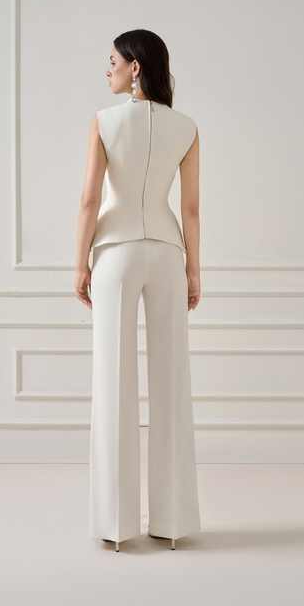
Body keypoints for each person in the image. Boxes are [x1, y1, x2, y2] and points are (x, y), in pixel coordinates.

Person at [74, 29, 202, 552]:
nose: (107, 70)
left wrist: (78, 264)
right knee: (171, 382)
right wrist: (195, 271)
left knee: (115, 380)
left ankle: (116, 525)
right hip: (168, 253)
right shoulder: (186, 128)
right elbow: (191, 209)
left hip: (117, 252)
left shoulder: (104, 121)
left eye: (113, 61)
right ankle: (172, 523)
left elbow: (89, 200)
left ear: (135, 68)